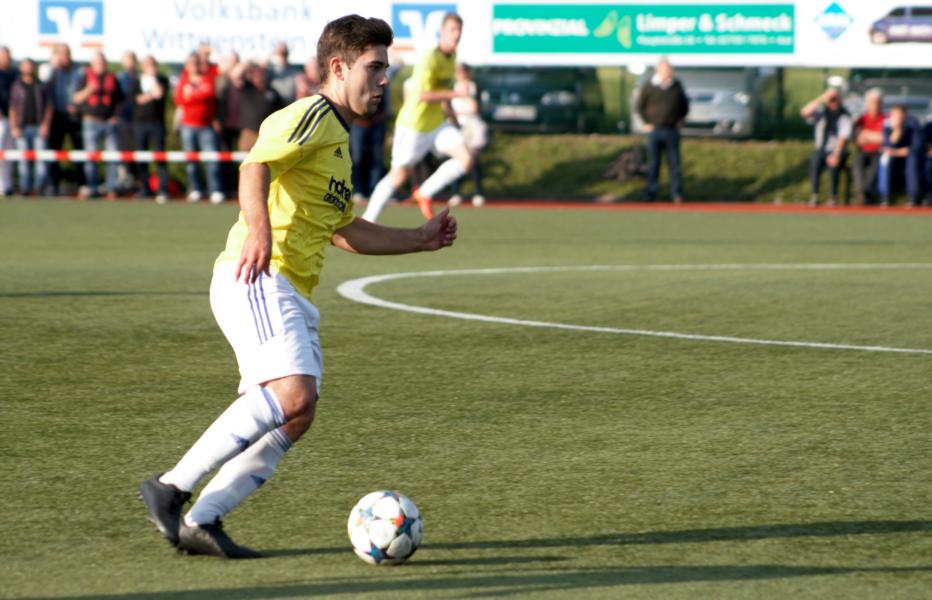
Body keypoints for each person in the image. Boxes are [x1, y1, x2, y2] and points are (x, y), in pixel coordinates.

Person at [138, 14, 456, 559]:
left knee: (297, 412)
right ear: (338, 67)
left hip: (291, 289)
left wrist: (419, 240)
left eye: (387, 68)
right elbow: (253, 168)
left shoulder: (338, 138)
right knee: (293, 393)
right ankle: (170, 487)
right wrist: (258, 230)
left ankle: (201, 521)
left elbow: (341, 228)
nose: (384, 80)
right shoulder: (311, 114)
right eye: (374, 67)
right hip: (260, 275)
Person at [362, 12, 473, 222]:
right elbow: (421, 94)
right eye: (452, 30)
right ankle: (369, 218)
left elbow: (442, 91)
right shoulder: (430, 57)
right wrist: (457, 93)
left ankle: (424, 193)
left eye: (459, 31)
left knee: (466, 159)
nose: (456, 35)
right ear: (442, 32)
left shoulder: (452, 57)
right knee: (399, 175)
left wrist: (453, 118)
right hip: (414, 125)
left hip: (436, 124)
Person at [636, 57, 689, 204]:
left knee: (675, 165)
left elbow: (684, 105)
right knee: (653, 164)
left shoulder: (676, 85)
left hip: (672, 130)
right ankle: (651, 193)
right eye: (665, 69)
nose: (668, 72)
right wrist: (647, 122)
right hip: (655, 130)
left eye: (669, 69)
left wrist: (680, 119)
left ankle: (676, 194)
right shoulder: (649, 86)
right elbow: (640, 106)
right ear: (658, 70)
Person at [72, 50, 124, 199]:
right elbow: (76, 98)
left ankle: (111, 187)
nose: (100, 65)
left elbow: (120, 100)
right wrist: (89, 89)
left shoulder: (112, 78)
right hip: (91, 121)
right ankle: (92, 187)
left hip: (108, 122)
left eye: (102, 62)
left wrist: (116, 116)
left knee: (112, 156)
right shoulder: (84, 78)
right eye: (97, 63)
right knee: (91, 157)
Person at [174, 52, 224, 204]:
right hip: (188, 126)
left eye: (196, 62)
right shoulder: (183, 79)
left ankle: (215, 189)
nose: (194, 66)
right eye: (190, 63)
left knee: (212, 160)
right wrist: (196, 93)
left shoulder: (207, 76)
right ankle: (195, 189)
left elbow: (208, 93)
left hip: (206, 125)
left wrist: (193, 94)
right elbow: (180, 99)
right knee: (191, 161)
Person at [801, 87, 851, 207]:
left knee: (833, 164)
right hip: (821, 149)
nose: (833, 102)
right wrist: (822, 98)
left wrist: (836, 154)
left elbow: (842, 137)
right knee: (816, 160)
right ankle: (814, 195)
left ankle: (833, 197)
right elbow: (804, 112)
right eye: (831, 99)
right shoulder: (821, 113)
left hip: (836, 150)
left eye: (835, 99)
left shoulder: (844, 115)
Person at [9, 58, 52, 196]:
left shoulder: (41, 85)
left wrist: (45, 124)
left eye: (31, 65)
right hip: (22, 127)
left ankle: (38, 188)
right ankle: (24, 188)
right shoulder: (16, 86)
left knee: (41, 159)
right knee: (23, 160)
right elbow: (12, 107)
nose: (29, 68)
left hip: (38, 127)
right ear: (21, 68)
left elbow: (48, 106)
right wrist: (14, 126)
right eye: (26, 65)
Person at [447, 62, 487, 208]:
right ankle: (455, 193)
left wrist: (466, 97)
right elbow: (447, 108)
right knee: (455, 161)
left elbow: (475, 108)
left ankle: (478, 193)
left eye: (463, 71)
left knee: (473, 160)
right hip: (457, 127)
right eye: (458, 71)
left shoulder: (473, 87)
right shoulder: (451, 87)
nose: (461, 74)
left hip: (471, 127)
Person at [47, 43, 84, 195]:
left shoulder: (79, 70)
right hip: (57, 115)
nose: (65, 57)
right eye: (61, 54)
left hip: (75, 116)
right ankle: (53, 185)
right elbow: (44, 90)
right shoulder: (51, 71)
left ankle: (82, 184)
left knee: (79, 151)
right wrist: (53, 68)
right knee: (54, 151)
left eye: (66, 54)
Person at [132, 55, 170, 202]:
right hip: (140, 123)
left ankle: (162, 189)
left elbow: (159, 94)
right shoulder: (137, 81)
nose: (151, 68)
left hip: (157, 123)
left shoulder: (162, 80)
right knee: (141, 157)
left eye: (153, 65)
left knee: (160, 156)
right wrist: (150, 94)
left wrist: (152, 91)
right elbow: (137, 100)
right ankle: (144, 188)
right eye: (148, 65)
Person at [877, 104, 923, 207]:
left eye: (901, 115)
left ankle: (913, 196)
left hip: (909, 156)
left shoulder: (913, 124)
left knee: (913, 159)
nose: (898, 118)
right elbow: (887, 146)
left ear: (905, 115)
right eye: (895, 115)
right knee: (885, 159)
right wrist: (897, 130)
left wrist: (896, 152)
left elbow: (916, 147)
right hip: (894, 157)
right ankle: (885, 197)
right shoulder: (887, 124)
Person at [235, 61, 283, 151]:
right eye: (256, 75)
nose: (260, 78)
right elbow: (236, 76)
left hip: (265, 135)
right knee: (245, 161)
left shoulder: (272, 92)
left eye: (262, 74)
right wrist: (247, 64)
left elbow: (280, 111)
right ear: (252, 77)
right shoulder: (247, 88)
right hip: (248, 133)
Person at [851, 88, 886, 205]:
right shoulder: (862, 118)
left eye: (877, 102)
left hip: (879, 151)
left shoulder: (886, 119)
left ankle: (867, 193)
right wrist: (874, 136)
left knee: (876, 165)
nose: (875, 105)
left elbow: (883, 139)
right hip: (863, 151)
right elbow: (857, 139)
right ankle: (863, 193)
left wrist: (866, 134)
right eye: (872, 102)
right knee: (857, 163)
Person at [115, 51, 139, 193]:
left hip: (138, 120)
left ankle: (136, 181)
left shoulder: (140, 77)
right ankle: (123, 180)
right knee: (123, 151)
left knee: (138, 152)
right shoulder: (119, 78)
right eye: (127, 60)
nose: (130, 63)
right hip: (124, 119)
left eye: (132, 59)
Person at [0, 46, 15, 196]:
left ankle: (7, 185)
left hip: (12, 118)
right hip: (1, 118)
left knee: (9, 154)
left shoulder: (13, 73)